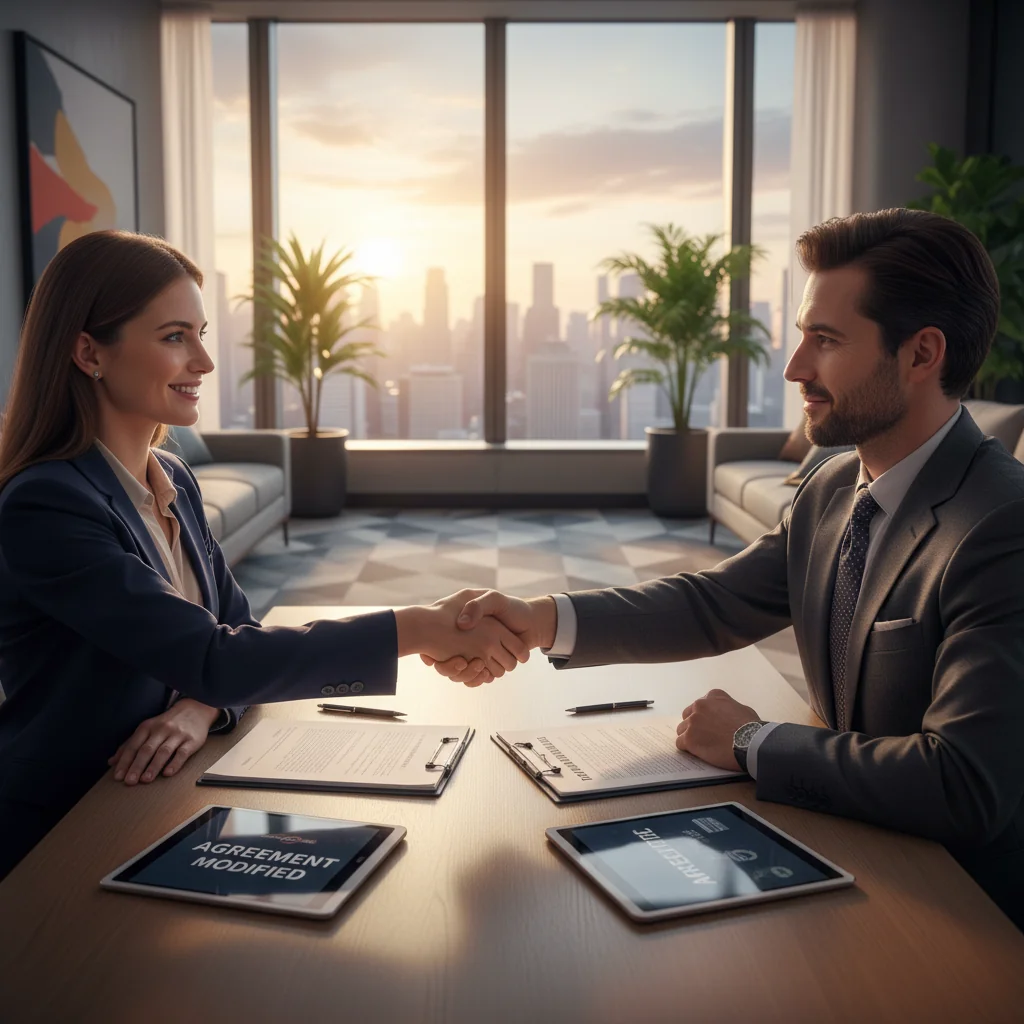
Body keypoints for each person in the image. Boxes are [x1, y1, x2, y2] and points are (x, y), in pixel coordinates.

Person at [428, 208, 1024, 931]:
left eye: (826, 341)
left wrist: (750, 741)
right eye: (803, 335)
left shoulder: (1001, 527)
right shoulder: (836, 487)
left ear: (922, 354)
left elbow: (964, 785)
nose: (796, 366)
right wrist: (537, 621)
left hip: (963, 911)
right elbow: (713, 603)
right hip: (848, 845)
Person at [0, 230, 527, 881]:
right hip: (66, 825)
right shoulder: (47, 505)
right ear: (89, 352)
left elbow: (236, 634)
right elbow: (215, 658)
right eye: (174, 337)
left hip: (164, 791)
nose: (204, 361)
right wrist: (418, 628)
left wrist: (199, 708)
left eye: (200, 333)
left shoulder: (174, 479)